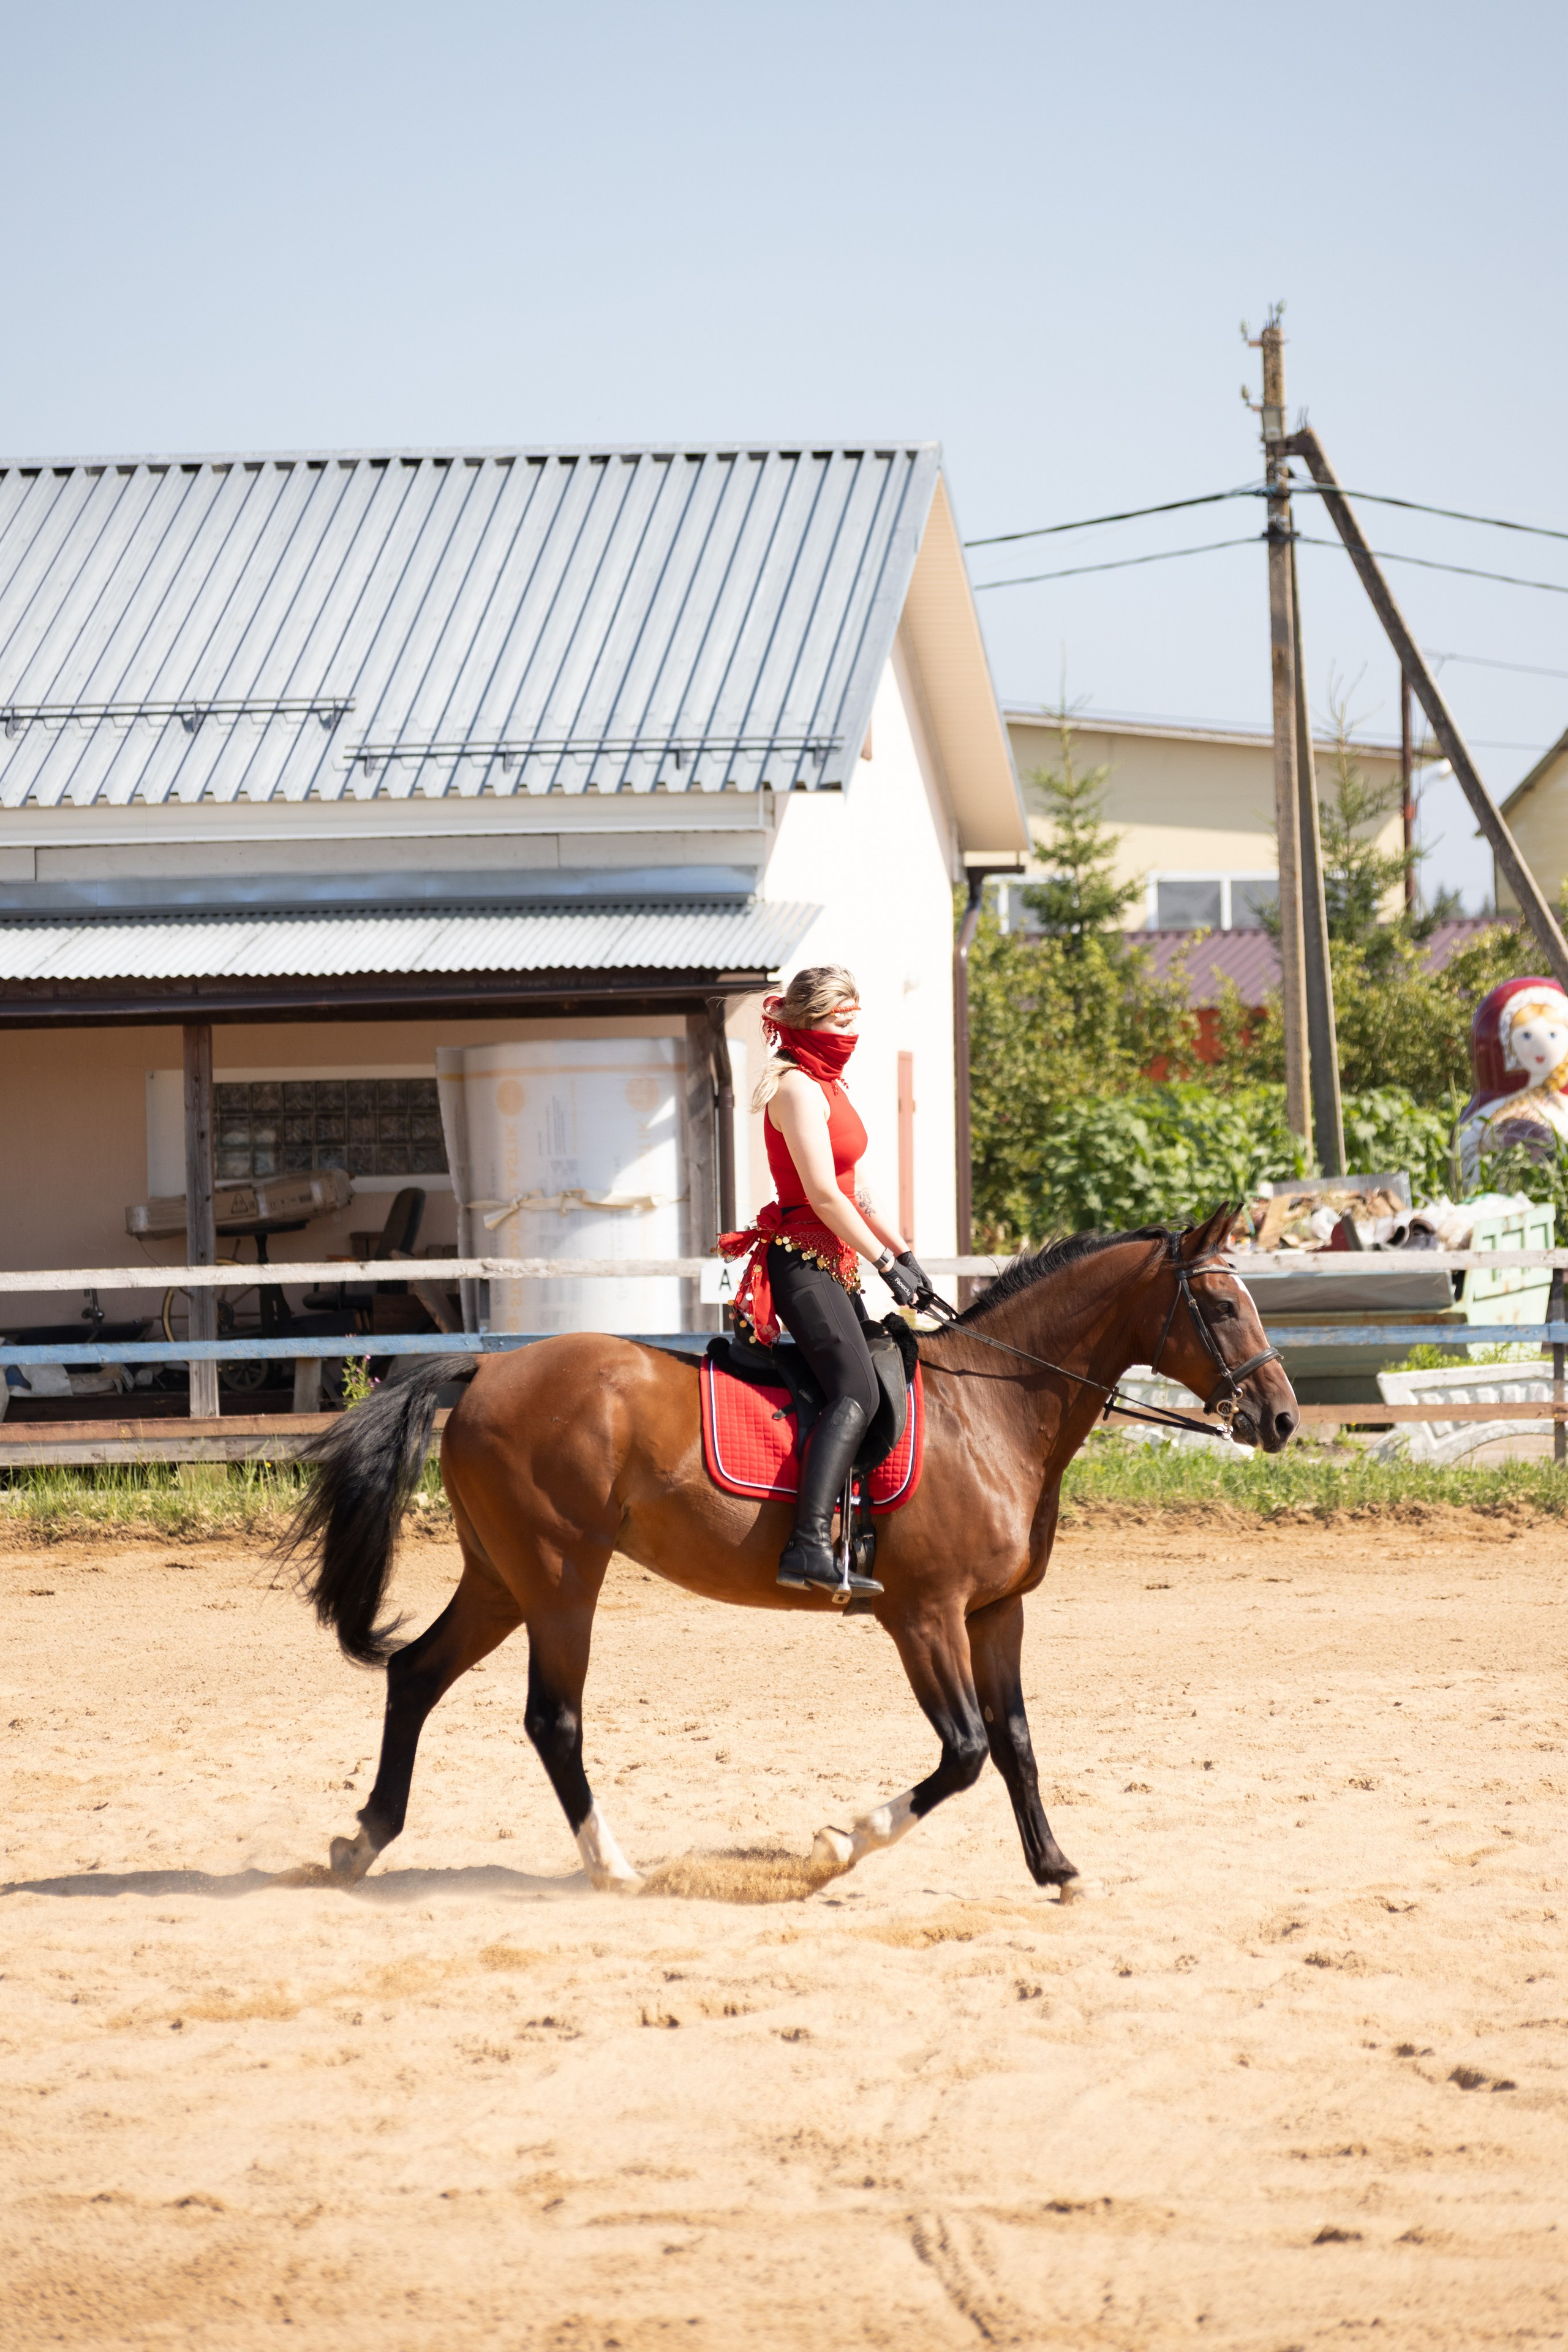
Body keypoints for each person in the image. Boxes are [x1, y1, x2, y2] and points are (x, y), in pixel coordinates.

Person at [718, 966, 935, 1596]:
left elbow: (856, 1189)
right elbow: (821, 1196)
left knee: (880, 1373)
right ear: (808, 1020)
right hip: (802, 1263)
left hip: (834, 1264)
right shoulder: (794, 1089)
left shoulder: (829, 1083)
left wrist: (905, 1251)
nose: (851, 1030)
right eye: (841, 1019)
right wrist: (883, 1264)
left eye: (854, 1017)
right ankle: (806, 1546)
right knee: (856, 1393)